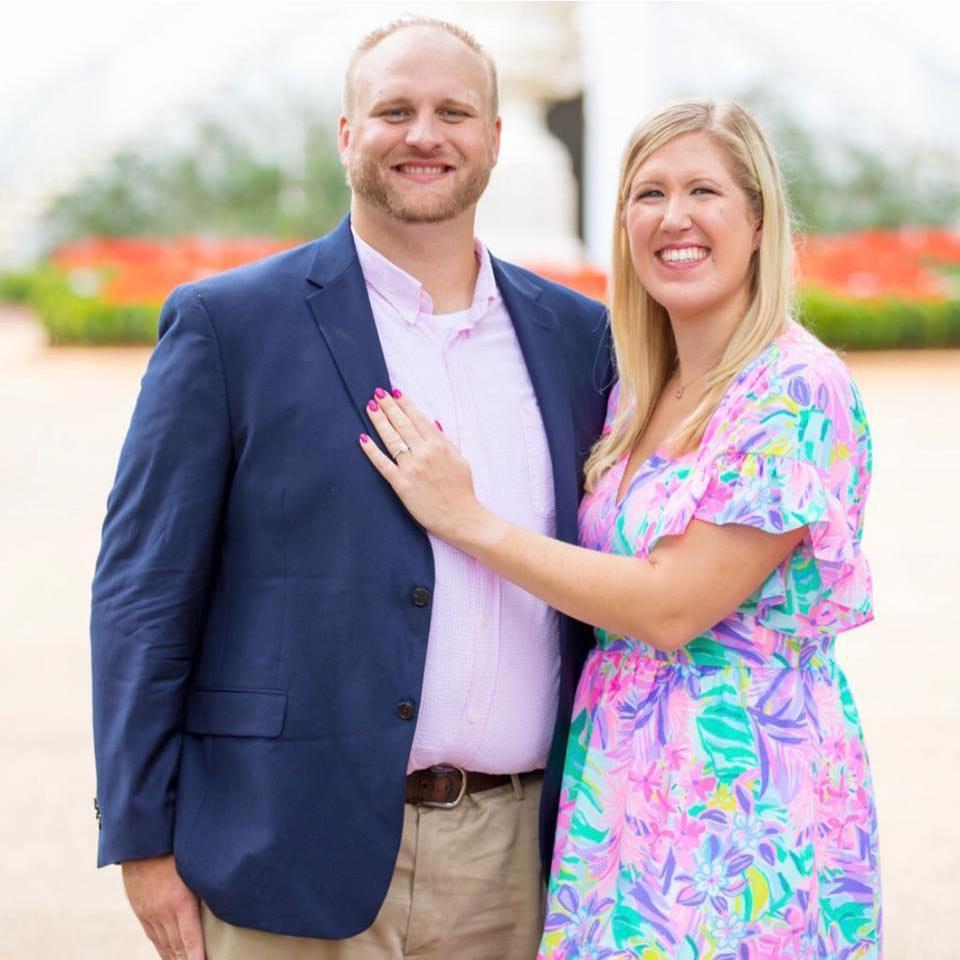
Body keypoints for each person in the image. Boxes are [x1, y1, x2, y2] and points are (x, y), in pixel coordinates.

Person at [90, 16, 611, 960]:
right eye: (394, 110)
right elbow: (142, 597)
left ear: (494, 136)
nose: (425, 134)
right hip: (284, 846)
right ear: (345, 133)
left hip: (523, 861)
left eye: (454, 111)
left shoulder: (580, 339)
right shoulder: (227, 327)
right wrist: (141, 839)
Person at [360, 99, 882, 958]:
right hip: (620, 788)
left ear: (758, 219)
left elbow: (672, 606)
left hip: (739, 798)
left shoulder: (793, 387)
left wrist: (468, 522)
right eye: (648, 194)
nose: (672, 218)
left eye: (703, 191)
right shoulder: (642, 390)